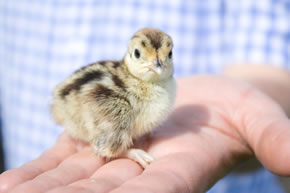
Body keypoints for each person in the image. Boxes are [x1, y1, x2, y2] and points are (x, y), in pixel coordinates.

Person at [0, 1, 289, 192]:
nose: (157, 64)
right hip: (35, 141)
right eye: (142, 56)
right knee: (118, 109)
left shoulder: (158, 83)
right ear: (130, 54)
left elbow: (268, 45)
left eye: (166, 57)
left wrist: (247, 104)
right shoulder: (122, 91)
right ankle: (113, 146)